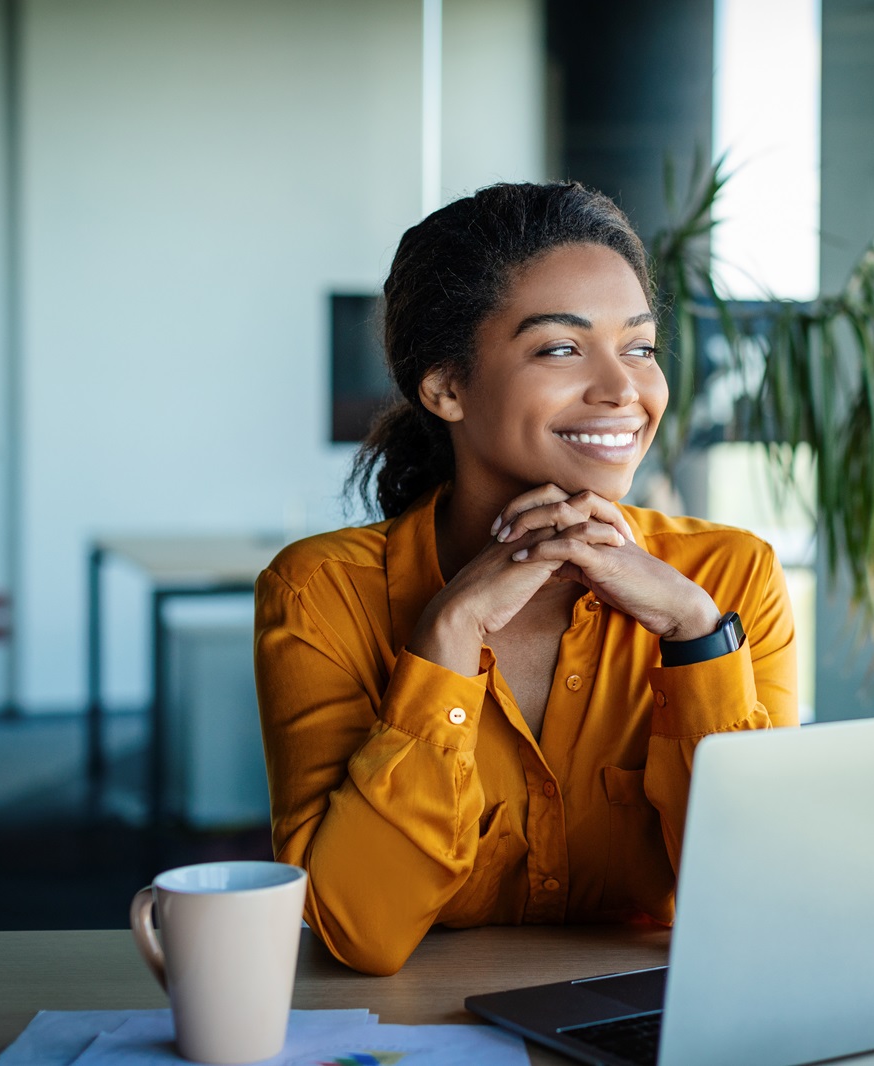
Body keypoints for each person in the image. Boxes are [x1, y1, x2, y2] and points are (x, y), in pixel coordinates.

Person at [254, 181, 798, 976]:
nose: (624, 391)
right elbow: (358, 931)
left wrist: (696, 639)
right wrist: (445, 640)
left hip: (651, 1032)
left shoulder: (726, 581)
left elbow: (764, 902)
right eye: (560, 348)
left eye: (639, 348)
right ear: (444, 388)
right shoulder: (320, 594)